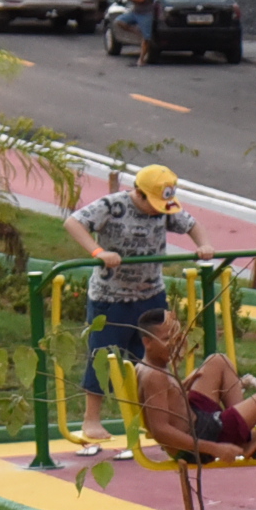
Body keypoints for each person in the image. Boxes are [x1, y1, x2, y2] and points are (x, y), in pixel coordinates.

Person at [64, 165, 204, 458]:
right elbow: (74, 223)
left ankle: (151, 421)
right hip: (111, 297)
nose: (157, 211)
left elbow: (191, 223)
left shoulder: (165, 209)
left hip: (150, 294)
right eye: (152, 203)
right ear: (139, 193)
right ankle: (91, 420)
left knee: (153, 361)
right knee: (103, 356)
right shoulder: (113, 206)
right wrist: (99, 252)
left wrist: (204, 245)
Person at [129, 309, 256, 498]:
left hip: (196, 420)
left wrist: (181, 387)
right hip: (199, 440)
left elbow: (167, 402)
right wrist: (215, 449)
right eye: (166, 339)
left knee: (218, 361)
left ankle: (244, 437)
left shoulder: (149, 365)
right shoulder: (155, 377)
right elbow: (161, 430)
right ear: (147, 342)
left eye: (177, 336)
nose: (175, 343)